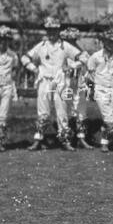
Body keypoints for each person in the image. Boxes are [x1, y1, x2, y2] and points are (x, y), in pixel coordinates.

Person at [21, 17, 88, 151]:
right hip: (44, 81)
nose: (51, 33)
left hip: (61, 82)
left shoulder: (65, 46)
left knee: (62, 111)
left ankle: (65, 140)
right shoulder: (41, 46)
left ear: (58, 31)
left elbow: (84, 57)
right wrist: (34, 69)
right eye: (49, 30)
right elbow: (25, 57)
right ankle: (38, 140)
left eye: (54, 30)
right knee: (43, 112)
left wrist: (72, 66)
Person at [60, 27, 94, 150]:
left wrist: (75, 65)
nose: (71, 42)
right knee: (65, 110)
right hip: (66, 83)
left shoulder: (82, 53)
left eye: (74, 40)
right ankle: (67, 138)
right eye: (69, 40)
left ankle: (81, 137)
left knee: (81, 110)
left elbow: (88, 61)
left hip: (78, 84)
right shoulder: (62, 52)